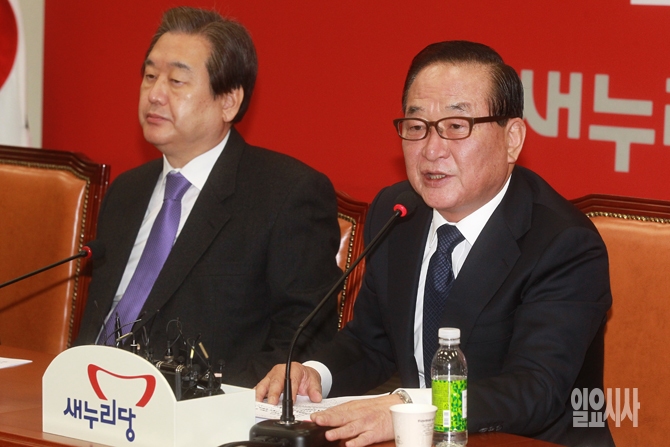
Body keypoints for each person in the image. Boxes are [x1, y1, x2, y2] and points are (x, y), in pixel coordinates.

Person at [255, 41, 614, 447]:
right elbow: (372, 342)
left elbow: (534, 390)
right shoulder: (397, 213)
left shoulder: (563, 244)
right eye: (416, 126)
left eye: (456, 126)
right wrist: (316, 374)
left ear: (512, 138)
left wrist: (408, 406)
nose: (431, 149)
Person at [74, 6, 342, 388]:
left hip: (201, 407)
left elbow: (301, 341)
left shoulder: (287, 195)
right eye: (150, 76)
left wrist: (221, 402)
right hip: (89, 394)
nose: (155, 94)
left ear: (229, 101)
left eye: (176, 81)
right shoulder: (126, 192)